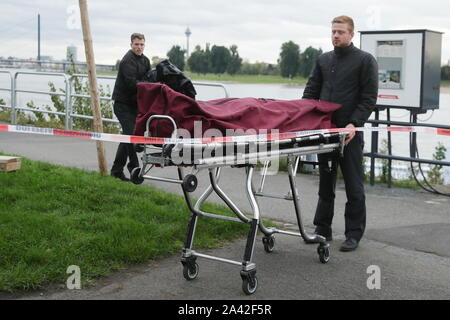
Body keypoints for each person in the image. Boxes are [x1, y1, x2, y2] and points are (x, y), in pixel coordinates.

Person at [302, 16, 378, 251]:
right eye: (333, 31)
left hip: (350, 133)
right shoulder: (323, 60)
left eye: (341, 32)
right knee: (326, 183)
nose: (336, 35)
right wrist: (303, 117)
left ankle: (353, 234)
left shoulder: (365, 60)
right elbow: (311, 91)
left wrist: (354, 123)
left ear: (351, 34)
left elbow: (368, 98)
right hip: (325, 132)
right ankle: (322, 228)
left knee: (354, 186)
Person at [111, 33, 151, 181]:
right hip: (122, 105)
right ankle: (133, 166)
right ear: (131, 45)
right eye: (136, 44)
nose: (139, 47)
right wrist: (147, 85)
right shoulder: (127, 61)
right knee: (131, 137)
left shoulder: (146, 61)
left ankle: (116, 170)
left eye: (142, 44)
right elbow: (132, 85)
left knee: (127, 137)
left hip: (135, 106)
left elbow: (149, 81)